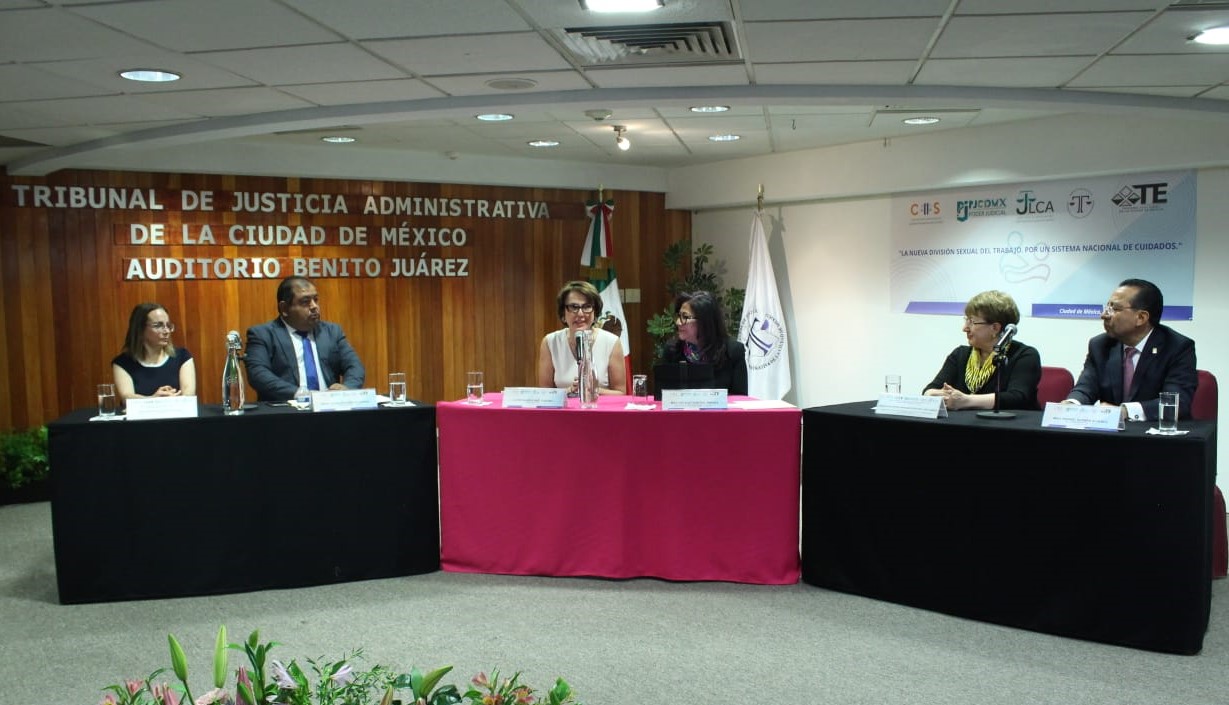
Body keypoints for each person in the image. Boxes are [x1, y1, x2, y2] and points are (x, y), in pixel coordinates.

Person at [1065, 278, 1196, 421]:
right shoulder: (1100, 345)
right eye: (1107, 307)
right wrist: (1071, 404)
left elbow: (1176, 403)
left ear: (1141, 317)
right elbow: (1085, 388)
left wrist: (1125, 411)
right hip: (1111, 433)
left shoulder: (1177, 347)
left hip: (1157, 432)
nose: (1104, 315)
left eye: (1115, 309)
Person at [245, 276, 365, 401]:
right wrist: (299, 394)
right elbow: (258, 374)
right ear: (284, 308)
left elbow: (354, 366)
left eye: (316, 300)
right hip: (286, 408)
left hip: (328, 407)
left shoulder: (332, 332)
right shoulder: (263, 335)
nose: (314, 306)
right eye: (305, 302)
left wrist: (347, 388)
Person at [923, 290, 1040, 410]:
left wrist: (966, 401)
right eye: (966, 320)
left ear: (995, 328)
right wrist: (932, 394)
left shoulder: (1025, 355)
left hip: (1011, 421)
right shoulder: (960, 354)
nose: (965, 328)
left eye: (972, 322)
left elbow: (1017, 398)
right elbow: (931, 389)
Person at [538, 281, 626, 396]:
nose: (580, 313)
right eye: (574, 307)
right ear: (563, 314)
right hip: (565, 407)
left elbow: (620, 393)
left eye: (587, 307)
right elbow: (544, 394)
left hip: (598, 407)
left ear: (595, 313)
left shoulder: (611, 342)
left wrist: (593, 389)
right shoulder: (550, 342)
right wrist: (570, 391)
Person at [660, 291, 748, 395]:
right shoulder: (672, 350)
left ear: (704, 321)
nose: (678, 322)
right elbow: (663, 396)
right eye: (679, 316)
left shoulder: (733, 351)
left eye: (685, 317)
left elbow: (740, 398)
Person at [112, 303, 197, 401]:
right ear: (140, 329)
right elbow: (127, 397)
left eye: (168, 325)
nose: (166, 331)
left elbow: (188, 396)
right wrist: (154, 399)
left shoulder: (182, 356)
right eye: (158, 326)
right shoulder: (122, 363)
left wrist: (164, 401)